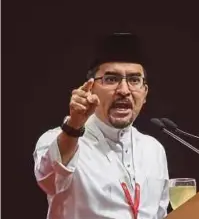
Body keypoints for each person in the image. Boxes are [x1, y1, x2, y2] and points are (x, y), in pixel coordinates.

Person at [33, 33, 169, 219]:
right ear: (91, 88)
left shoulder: (154, 150)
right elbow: (49, 181)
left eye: (134, 80)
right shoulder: (58, 139)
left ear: (145, 94)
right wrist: (74, 125)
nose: (124, 90)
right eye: (111, 79)